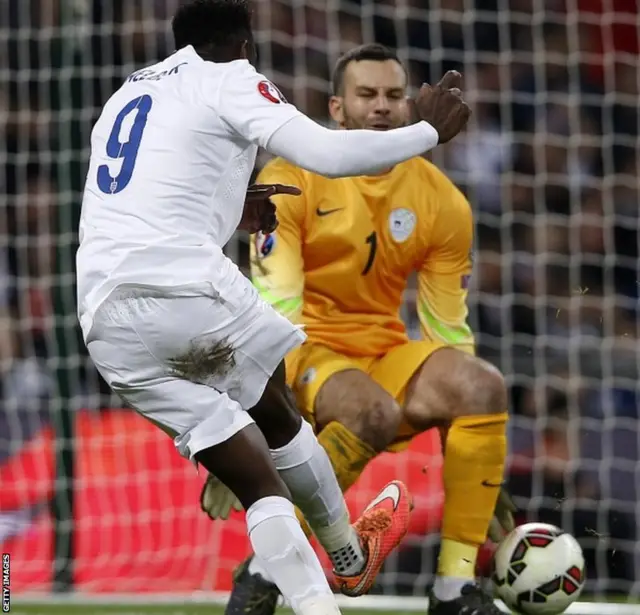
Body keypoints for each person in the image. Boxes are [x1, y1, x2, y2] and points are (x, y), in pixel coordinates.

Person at [75, 1, 471, 614]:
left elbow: (144, 196)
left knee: (256, 478)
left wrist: (234, 204)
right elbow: (331, 155)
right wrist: (429, 132)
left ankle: (329, 580)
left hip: (104, 319)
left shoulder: (129, 92)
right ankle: (345, 553)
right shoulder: (230, 76)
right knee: (279, 412)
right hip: (186, 291)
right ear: (244, 42)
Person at [200, 44, 513, 615]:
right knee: (373, 411)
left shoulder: (442, 201)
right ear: (337, 109)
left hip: (382, 357)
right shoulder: (290, 179)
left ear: (412, 108)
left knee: (482, 386)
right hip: (302, 354)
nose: (382, 107)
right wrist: (247, 425)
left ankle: (454, 590)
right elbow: (273, 315)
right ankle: (265, 571)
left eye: (395, 96)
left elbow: (446, 329)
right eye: (367, 95)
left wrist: (473, 455)